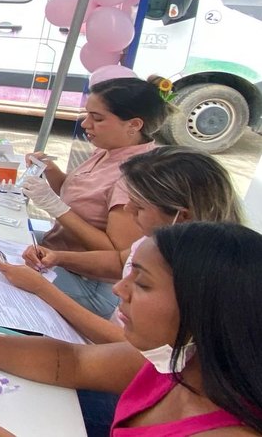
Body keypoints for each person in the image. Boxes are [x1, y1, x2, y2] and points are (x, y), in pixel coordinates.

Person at [0, 222, 262, 437]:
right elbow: (69, 360)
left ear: (205, 308)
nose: (119, 289)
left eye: (143, 284)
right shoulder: (180, 361)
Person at [0, 146, 245, 345]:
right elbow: (120, 260)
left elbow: (126, 348)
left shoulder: (193, 279)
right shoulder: (157, 241)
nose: (127, 209)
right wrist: (58, 257)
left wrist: (44, 289)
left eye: (138, 206)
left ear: (183, 216)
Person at [22, 76, 173, 318]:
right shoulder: (108, 150)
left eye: (98, 118)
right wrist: (49, 169)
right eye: (87, 114)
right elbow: (78, 198)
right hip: (59, 253)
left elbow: (117, 253)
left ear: (134, 125)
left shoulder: (133, 173)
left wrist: (55, 207)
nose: (85, 124)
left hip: (90, 282)